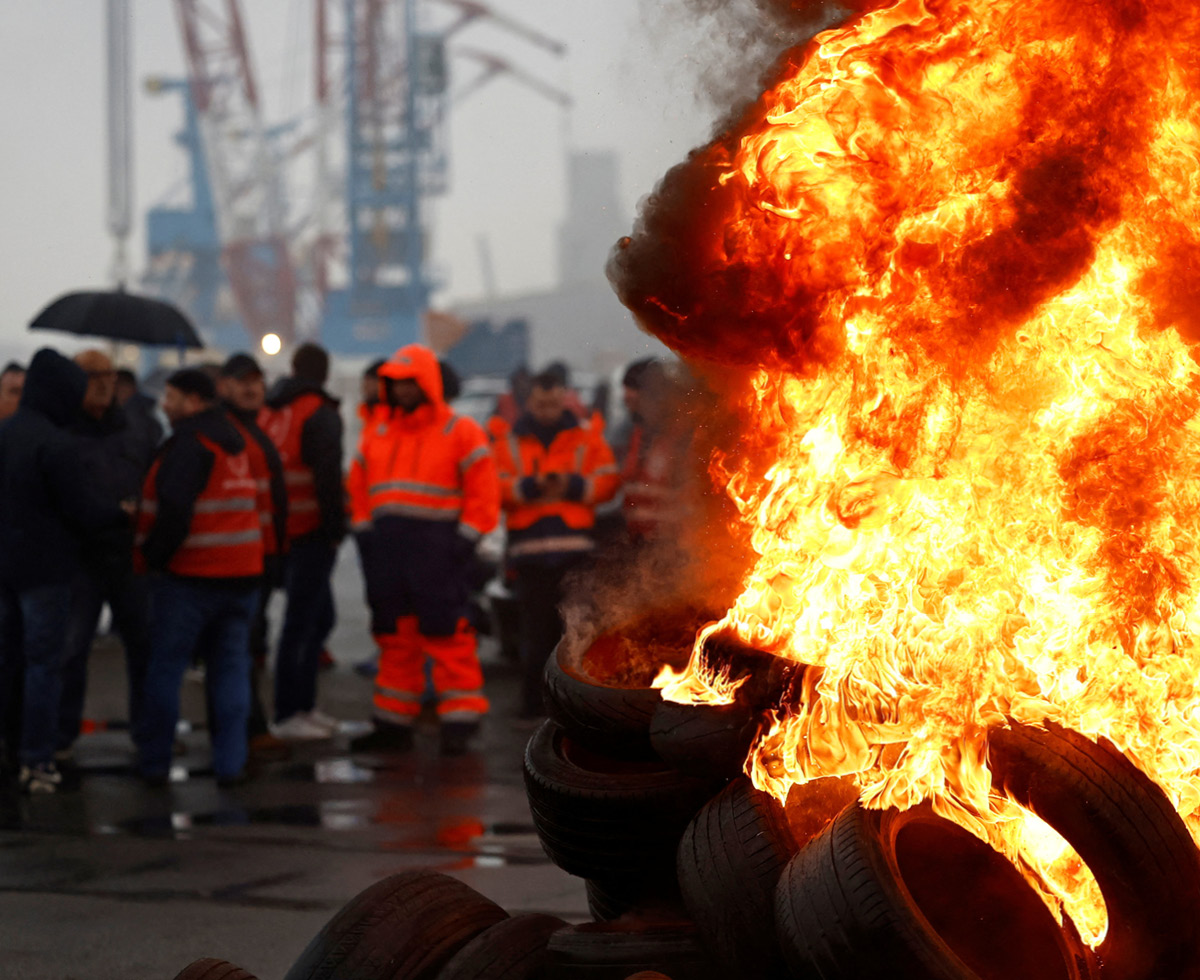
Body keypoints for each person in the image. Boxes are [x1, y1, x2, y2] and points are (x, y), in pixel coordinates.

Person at [346, 343, 500, 756]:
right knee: (394, 639)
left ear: (428, 383)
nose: (402, 390)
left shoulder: (459, 431)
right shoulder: (377, 432)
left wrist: (464, 540)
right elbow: (357, 487)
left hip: (438, 550)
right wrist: (364, 534)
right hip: (389, 552)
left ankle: (459, 723)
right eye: (395, 383)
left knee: (447, 636)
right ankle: (393, 723)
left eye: (409, 382)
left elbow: (484, 491)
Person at [0, 349, 126, 792]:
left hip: (5, 568)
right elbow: (82, 511)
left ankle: (10, 747)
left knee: (8, 661)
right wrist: (121, 513)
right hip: (47, 572)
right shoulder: (56, 444)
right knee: (43, 666)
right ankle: (37, 758)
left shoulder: (5, 433)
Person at [134, 369, 264, 786]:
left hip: (191, 578)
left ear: (192, 401)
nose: (164, 405)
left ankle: (154, 763)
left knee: (166, 670)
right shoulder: (234, 442)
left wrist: (151, 558)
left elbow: (174, 512)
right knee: (230, 671)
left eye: (171, 397)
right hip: (241, 577)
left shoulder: (189, 445)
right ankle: (231, 762)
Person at [492, 370, 620, 719]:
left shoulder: (586, 437)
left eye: (553, 403)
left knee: (575, 636)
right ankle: (534, 707)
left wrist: (573, 486)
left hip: (574, 556)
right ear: (528, 402)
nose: (547, 410)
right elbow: (493, 486)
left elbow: (609, 481)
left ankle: (573, 710)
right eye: (540, 403)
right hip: (531, 557)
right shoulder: (509, 441)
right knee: (536, 637)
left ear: (564, 399)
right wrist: (530, 487)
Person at [57, 351, 155, 763]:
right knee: (71, 649)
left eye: (108, 375)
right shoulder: (61, 433)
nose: (102, 383)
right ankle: (61, 736)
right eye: (92, 375)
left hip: (127, 555)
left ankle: (149, 735)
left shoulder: (132, 431)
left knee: (144, 646)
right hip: (80, 558)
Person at [261, 343, 346, 740]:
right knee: (303, 624)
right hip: (310, 531)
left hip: (276, 530)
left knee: (314, 619)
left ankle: (303, 706)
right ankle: (290, 711)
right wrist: (335, 530)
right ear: (324, 373)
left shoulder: (271, 410)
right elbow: (327, 478)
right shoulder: (320, 413)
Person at [217, 353, 289, 760]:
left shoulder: (252, 429)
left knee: (249, 646)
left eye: (257, 382)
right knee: (239, 649)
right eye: (242, 381)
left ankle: (248, 729)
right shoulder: (228, 432)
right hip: (241, 560)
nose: (252, 388)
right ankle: (247, 732)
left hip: (258, 556)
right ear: (223, 386)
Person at [622, 361, 692, 541]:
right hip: (640, 539)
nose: (628, 402)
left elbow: (692, 500)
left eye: (635, 398)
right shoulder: (640, 435)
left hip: (671, 542)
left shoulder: (681, 437)